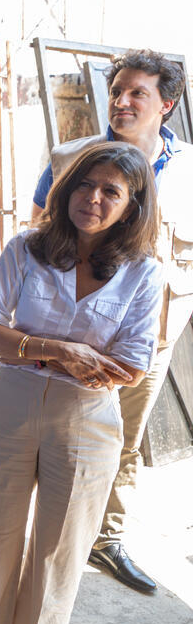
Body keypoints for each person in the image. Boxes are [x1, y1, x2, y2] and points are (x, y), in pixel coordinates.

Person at [0, 143, 163, 624]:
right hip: (11, 400)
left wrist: (28, 344)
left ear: (132, 205)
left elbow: (131, 364)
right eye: (85, 184)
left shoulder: (144, 273)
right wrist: (62, 351)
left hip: (87, 416)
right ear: (66, 188)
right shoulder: (27, 248)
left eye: (111, 192)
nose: (93, 199)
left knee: (63, 538)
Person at [29, 49, 190, 593]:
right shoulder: (71, 158)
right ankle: (41, 534)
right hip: (72, 333)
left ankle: (105, 538)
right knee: (49, 433)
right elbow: (37, 237)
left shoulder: (189, 171)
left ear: (166, 105)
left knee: (121, 438)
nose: (121, 101)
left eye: (136, 93)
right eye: (117, 90)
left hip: (151, 336)